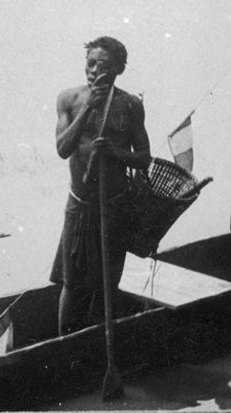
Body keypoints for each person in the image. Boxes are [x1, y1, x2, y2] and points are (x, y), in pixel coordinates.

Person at [51, 36, 151, 335]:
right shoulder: (68, 99)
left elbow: (144, 158)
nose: (94, 71)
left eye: (103, 65)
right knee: (72, 282)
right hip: (79, 207)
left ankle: (97, 340)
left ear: (119, 69)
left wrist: (115, 153)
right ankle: (65, 345)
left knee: (107, 284)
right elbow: (62, 148)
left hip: (114, 207)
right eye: (90, 63)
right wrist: (87, 109)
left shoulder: (130, 105)